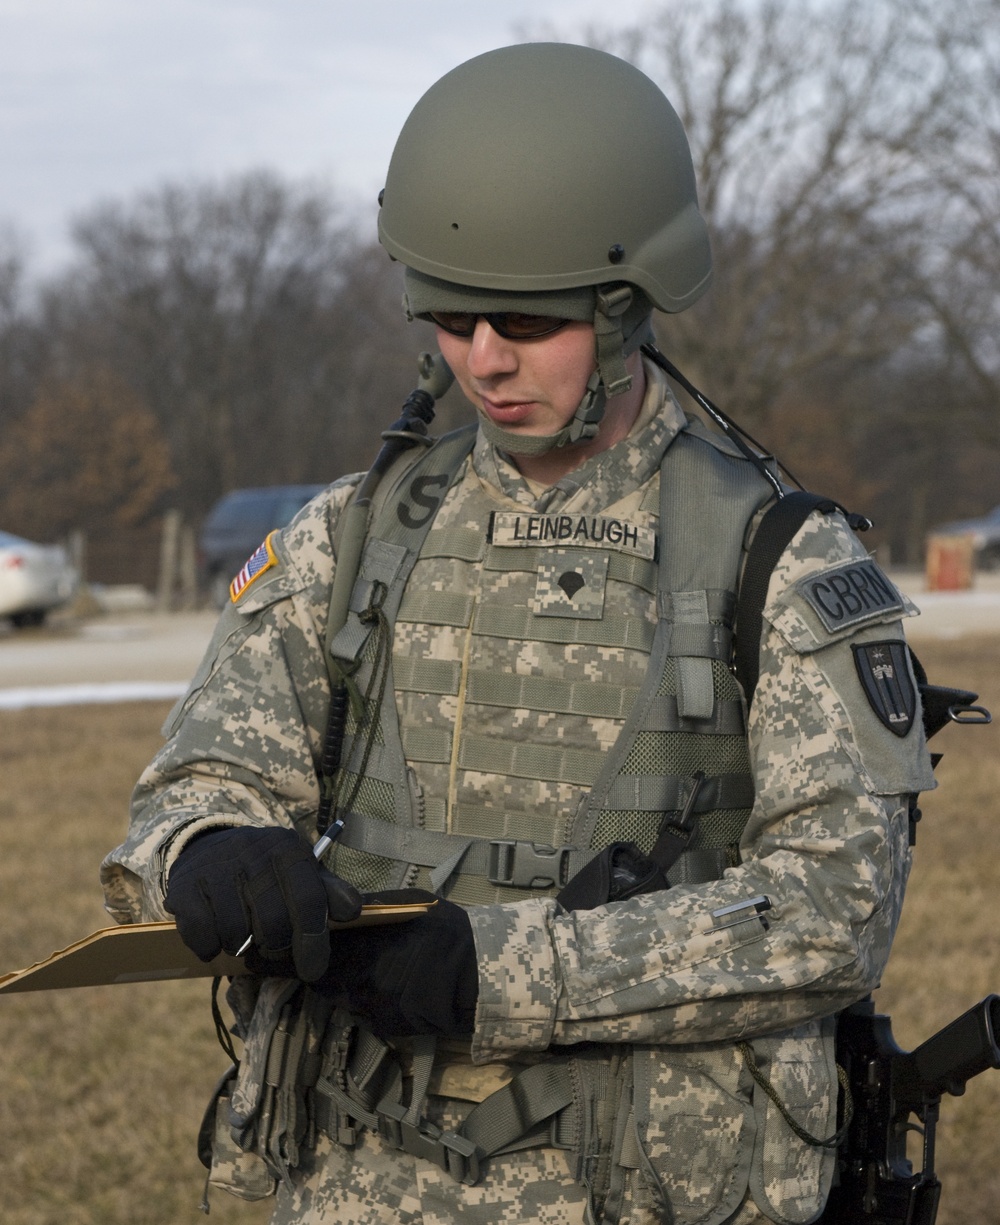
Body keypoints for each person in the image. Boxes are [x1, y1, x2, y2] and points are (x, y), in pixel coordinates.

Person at [101, 42, 936, 1225]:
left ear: (623, 301)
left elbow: (834, 907)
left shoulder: (775, 558)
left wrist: (504, 972)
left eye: (525, 319)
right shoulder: (356, 533)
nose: (482, 358)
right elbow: (194, 782)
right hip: (357, 1176)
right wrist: (207, 848)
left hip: (635, 1184)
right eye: (449, 314)